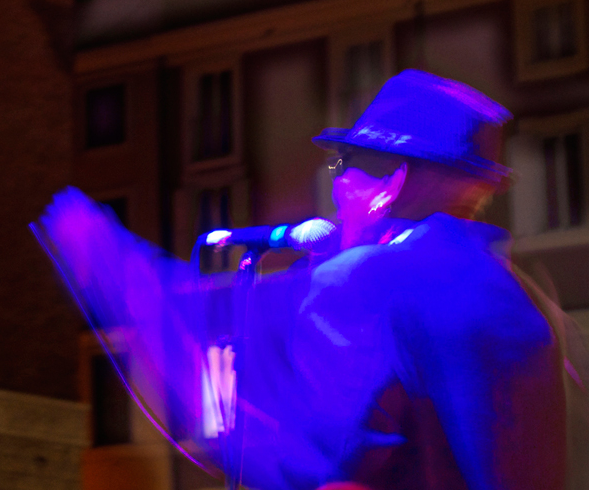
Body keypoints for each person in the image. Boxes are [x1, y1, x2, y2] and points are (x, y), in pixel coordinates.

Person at [34, 70, 584, 490]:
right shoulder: (526, 297)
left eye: (342, 165)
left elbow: (312, 468)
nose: (335, 183)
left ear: (389, 183)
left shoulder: (364, 280)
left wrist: (123, 287)